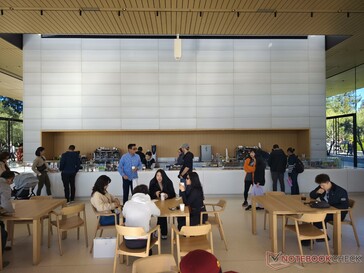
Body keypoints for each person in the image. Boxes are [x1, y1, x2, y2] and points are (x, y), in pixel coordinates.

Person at [122, 184, 160, 250]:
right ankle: (148, 253)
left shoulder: (127, 203)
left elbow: (124, 215)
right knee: (152, 228)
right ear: (146, 193)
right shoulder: (149, 203)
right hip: (143, 242)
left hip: (128, 241)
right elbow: (158, 213)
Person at [149, 169, 176, 239]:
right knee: (161, 214)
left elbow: (173, 193)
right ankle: (163, 233)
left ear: (163, 176)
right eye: (157, 175)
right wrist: (155, 194)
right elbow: (149, 195)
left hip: (167, 202)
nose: (159, 177)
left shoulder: (168, 182)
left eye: (161, 176)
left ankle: (159, 231)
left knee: (162, 213)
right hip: (156, 203)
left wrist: (167, 195)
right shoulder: (152, 182)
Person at [0, 170, 16, 267]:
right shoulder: (4, 185)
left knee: (1, 224)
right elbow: (5, 201)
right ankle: (0, 260)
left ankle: (2, 245)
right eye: (12, 180)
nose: (12, 182)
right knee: (3, 234)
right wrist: (11, 212)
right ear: (9, 179)